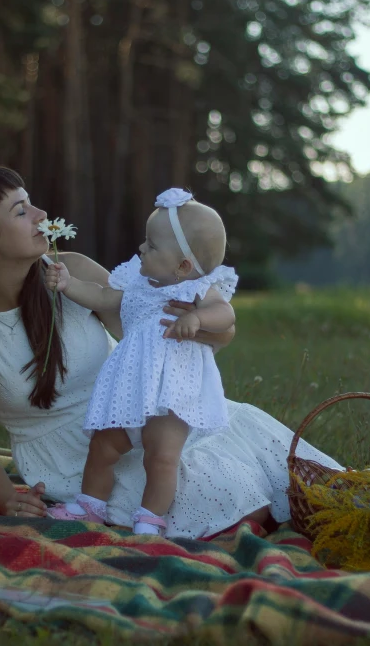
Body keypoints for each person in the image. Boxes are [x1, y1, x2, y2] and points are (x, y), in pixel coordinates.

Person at [0, 166, 342, 539]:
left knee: (285, 468)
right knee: (235, 502)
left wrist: (206, 324)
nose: (41, 213)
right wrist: (7, 498)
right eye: (21, 211)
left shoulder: (71, 272)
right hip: (79, 458)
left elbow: (172, 331)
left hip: (143, 409)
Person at [45, 188, 238, 536]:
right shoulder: (136, 281)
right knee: (103, 446)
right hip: (131, 384)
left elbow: (224, 314)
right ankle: (90, 503)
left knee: (161, 457)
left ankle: (150, 518)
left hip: (172, 392)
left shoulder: (198, 290)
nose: (141, 248)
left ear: (183, 266)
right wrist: (69, 284)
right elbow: (102, 297)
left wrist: (197, 319)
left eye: (151, 245)